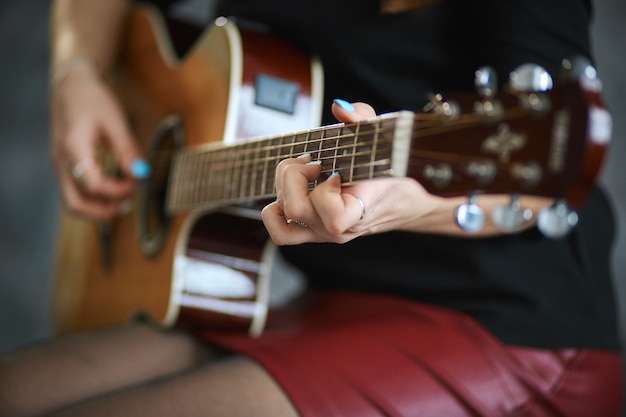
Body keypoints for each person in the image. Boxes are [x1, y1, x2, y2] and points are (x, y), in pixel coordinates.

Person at [0, 0, 622, 416]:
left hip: (507, 326)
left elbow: (543, 179)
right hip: (332, 303)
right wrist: (76, 73)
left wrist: (406, 205)